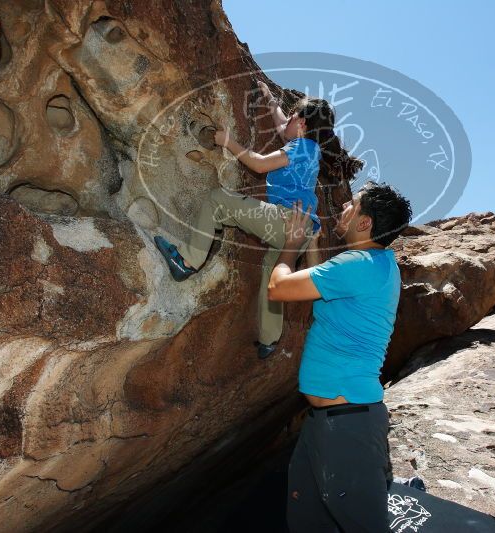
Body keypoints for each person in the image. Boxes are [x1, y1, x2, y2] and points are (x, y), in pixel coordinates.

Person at [153, 81, 359, 359]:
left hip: (285, 220)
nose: (287, 119)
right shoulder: (310, 149)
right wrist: (270, 100)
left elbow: (260, 164)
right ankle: (269, 340)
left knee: (218, 200)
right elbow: (283, 125)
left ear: (303, 124)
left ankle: (187, 260)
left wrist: (228, 142)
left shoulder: (301, 147)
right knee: (271, 276)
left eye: (294, 115)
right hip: (299, 234)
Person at [267, 181, 413, 532]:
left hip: (348, 423)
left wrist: (290, 245)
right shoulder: (374, 263)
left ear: (365, 223)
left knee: (362, 525)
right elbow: (326, 291)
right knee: (308, 519)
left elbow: (279, 288)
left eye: (352, 204)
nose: (343, 208)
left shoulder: (359, 264)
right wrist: (314, 246)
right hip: (328, 420)